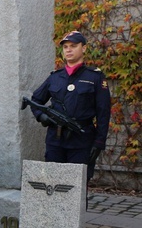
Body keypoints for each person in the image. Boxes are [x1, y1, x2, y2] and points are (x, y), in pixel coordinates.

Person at [30, 30, 111, 182]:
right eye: (65, 46)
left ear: (84, 48)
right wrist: (41, 116)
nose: (68, 49)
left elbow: (103, 112)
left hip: (82, 141)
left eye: (73, 46)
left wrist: (99, 142)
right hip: (55, 141)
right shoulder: (55, 77)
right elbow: (35, 100)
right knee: (53, 184)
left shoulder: (95, 77)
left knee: (77, 187)